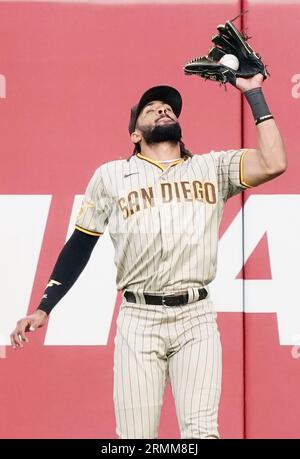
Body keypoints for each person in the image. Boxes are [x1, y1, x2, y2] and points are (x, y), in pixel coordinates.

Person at [10, 78, 287, 439]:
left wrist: (253, 93)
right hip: (138, 318)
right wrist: (44, 307)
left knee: (203, 433)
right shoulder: (111, 176)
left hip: (195, 317)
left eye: (169, 107)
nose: (162, 109)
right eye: (151, 108)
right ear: (134, 135)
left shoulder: (212, 168)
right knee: (135, 437)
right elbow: (80, 243)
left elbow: (274, 161)